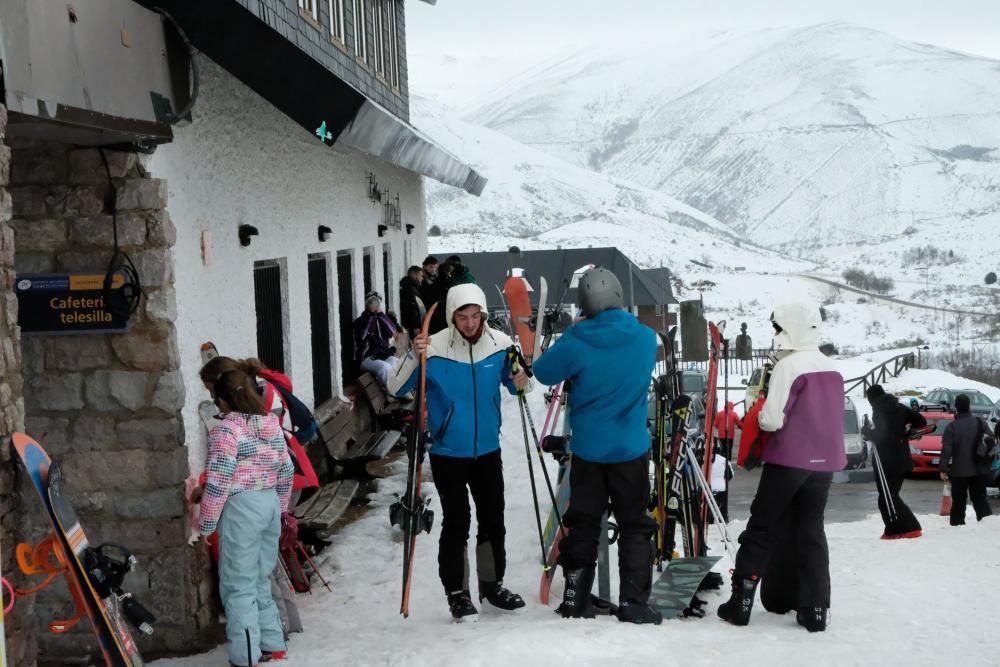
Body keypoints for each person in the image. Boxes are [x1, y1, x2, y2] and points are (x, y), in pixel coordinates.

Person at [387, 282, 530, 622]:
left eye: (475, 315)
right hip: (449, 451)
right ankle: (457, 593)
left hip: (488, 449)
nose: (469, 323)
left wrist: (523, 371)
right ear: (452, 317)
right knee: (458, 520)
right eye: (462, 317)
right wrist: (412, 354)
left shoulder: (501, 344)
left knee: (493, 519)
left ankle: (492, 585)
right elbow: (395, 388)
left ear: (483, 313)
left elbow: (518, 386)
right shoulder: (432, 347)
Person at [532, 267, 662, 625]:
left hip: (589, 451)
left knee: (584, 522)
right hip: (631, 450)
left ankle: (575, 598)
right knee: (635, 524)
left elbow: (541, 372)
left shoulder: (577, 341)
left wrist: (573, 331)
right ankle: (635, 603)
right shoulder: (645, 338)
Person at [717, 303, 845, 633]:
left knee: (762, 527)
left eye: (778, 328)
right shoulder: (832, 368)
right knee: (811, 531)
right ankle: (815, 609)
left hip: (788, 460)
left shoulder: (788, 367)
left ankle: (741, 603)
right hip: (824, 464)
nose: (775, 334)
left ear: (790, 327)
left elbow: (772, 419)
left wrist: (755, 417)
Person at [199, 369, 294, 666]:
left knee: (237, 584)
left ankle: (246, 656)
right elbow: (286, 470)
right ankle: (273, 643)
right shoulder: (270, 424)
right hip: (268, 503)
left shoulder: (226, 431)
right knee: (260, 578)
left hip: (241, 507)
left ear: (222, 400)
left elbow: (219, 481)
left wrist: (206, 524)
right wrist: (279, 508)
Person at [863, 384, 924, 539]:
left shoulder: (879, 411)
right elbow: (921, 421)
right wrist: (907, 430)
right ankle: (893, 529)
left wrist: (868, 433)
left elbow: (884, 437)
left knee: (888, 497)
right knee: (889, 496)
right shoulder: (899, 407)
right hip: (902, 460)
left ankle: (911, 527)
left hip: (887, 462)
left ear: (872, 399)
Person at [939, 393, 994, 525]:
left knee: (959, 501)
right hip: (979, 469)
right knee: (980, 499)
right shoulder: (980, 422)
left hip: (959, 471)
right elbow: (991, 439)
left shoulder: (952, 427)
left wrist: (943, 468)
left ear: (956, 407)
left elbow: (947, 450)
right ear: (969, 406)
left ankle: (957, 525)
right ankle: (987, 524)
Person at [353, 291, 402, 386]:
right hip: (367, 358)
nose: (374, 304)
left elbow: (392, 332)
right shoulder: (360, 321)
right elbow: (363, 336)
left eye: (376, 302)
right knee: (385, 368)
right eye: (372, 302)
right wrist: (371, 315)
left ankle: (403, 390)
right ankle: (392, 392)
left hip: (382, 355)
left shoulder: (381, 318)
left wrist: (381, 314)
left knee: (399, 363)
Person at [399, 265, 425, 338]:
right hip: (412, 328)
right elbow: (411, 308)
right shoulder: (409, 289)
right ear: (413, 274)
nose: (422, 279)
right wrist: (415, 326)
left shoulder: (413, 288)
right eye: (421, 276)